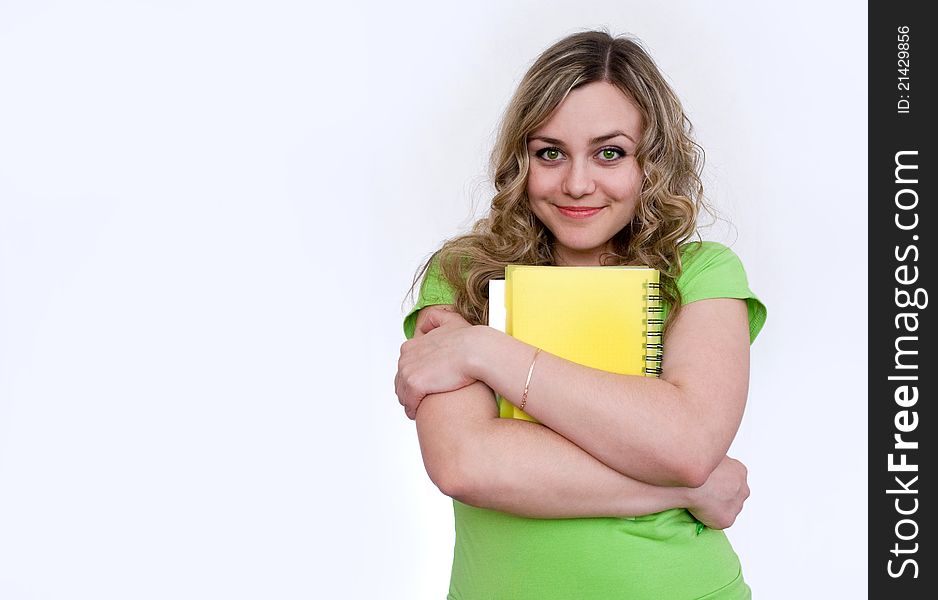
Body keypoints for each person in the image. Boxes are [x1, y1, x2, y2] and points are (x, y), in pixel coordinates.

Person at [395, 30, 766, 600]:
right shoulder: (465, 274)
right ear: (522, 160)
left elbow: (687, 445)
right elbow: (466, 464)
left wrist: (484, 350)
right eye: (550, 153)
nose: (576, 183)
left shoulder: (701, 273)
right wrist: (684, 489)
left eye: (609, 152)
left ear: (653, 161)